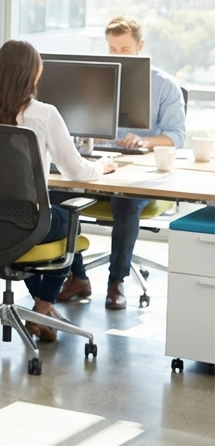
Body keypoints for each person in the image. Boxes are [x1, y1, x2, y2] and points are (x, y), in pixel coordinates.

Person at [0, 40, 116, 341]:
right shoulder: (44, 114)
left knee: (43, 224)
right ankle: (42, 309)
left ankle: (42, 312)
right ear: (32, 76)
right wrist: (103, 165)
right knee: (65, 221)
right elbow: (76, 171)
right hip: (25, 225)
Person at [56, 16, 187, 309]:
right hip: (98, 165)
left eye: (124, 50)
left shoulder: (164, 85)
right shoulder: (93, 81)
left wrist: (145, 141)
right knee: (56, 196)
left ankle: (116, 281)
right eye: (112, 50)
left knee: (125, 203)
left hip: (138, 173)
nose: (117, 56)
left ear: (140, 47)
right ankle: (77, 276)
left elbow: (176, 136)